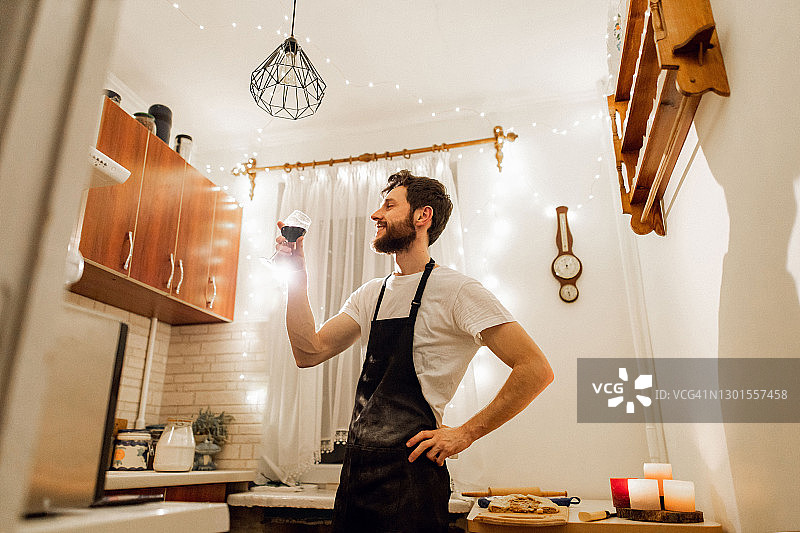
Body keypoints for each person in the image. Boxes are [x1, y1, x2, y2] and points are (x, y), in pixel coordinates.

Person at [274, 170, 554, 533]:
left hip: (412, 482)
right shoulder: (370, 294)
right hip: (356, 478)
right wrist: (296, 275)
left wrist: (465, 434)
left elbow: (535, 369)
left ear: (422, 216)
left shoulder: (458, 290)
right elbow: (308, 352)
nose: (377, 214)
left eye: (389, 205)